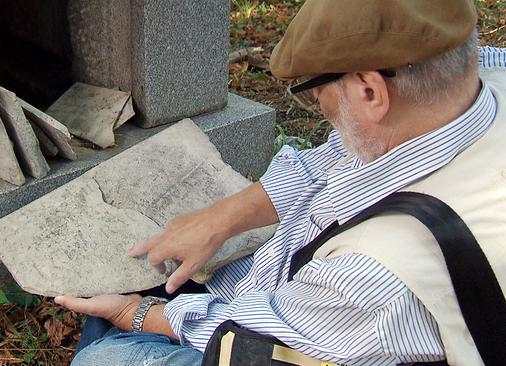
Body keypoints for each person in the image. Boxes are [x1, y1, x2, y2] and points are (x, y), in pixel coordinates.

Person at [56, 1, 506, 365]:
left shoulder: (376, 273)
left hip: (314, 343)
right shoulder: (474, 80)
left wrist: (132, 315)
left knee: (105, 357)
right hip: (322, 309)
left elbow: (256, 344)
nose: (317, 102)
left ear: (371, 92)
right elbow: (328, 160)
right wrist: (219, 219)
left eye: (315, 90)